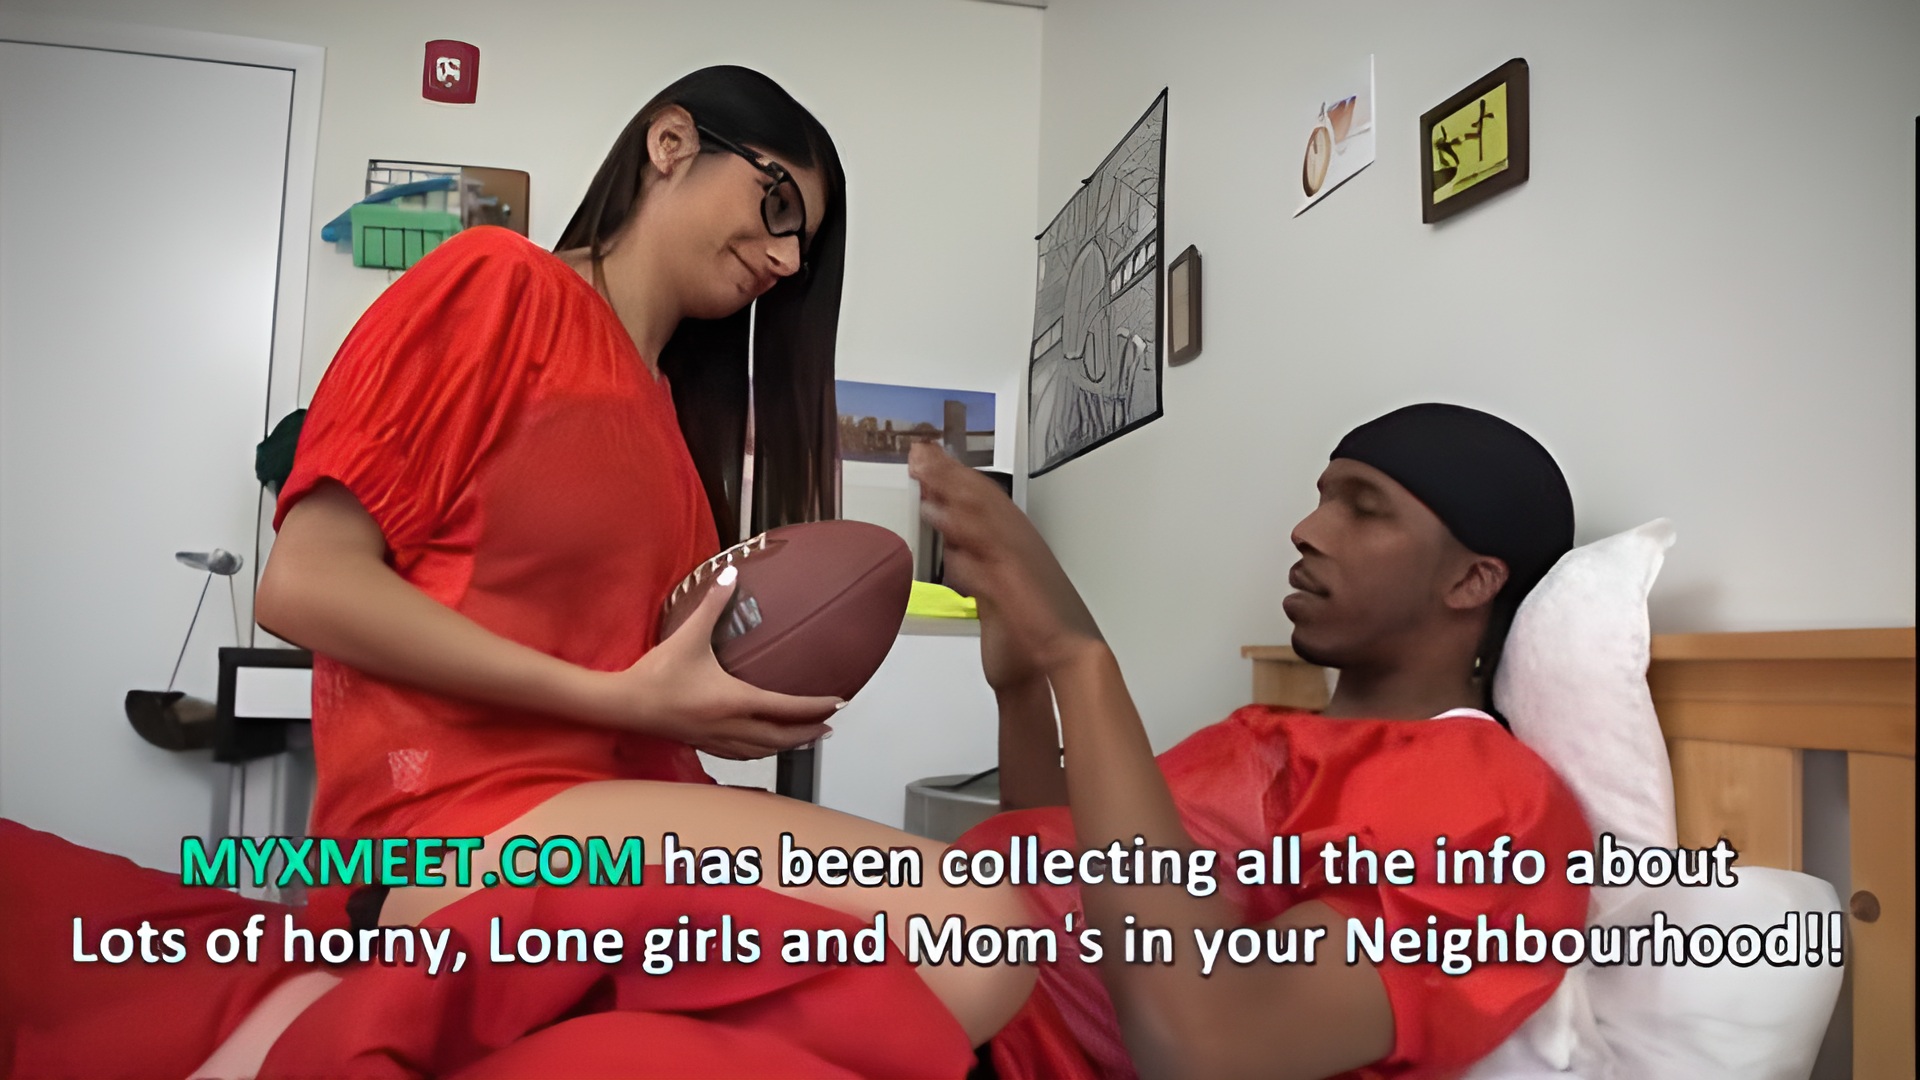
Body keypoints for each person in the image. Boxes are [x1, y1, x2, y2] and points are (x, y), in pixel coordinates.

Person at [250, 62, 1030, 1057]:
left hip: (601, 814)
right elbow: (305, 584)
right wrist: (625, 701)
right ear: (671, 144)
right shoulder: (498, 283)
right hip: (452, 829)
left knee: (964, 952)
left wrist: (707, 708)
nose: (786, 258)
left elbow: (634, 674)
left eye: (804, 242)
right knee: (973, 932)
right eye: (777, 204)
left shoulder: (670, 426)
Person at [910, 403, 1595, 1079]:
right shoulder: (1261, 734)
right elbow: (1063, 864)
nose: (1306, 530)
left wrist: (1077, 655)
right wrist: (1023, 689)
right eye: (1323, 499)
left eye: (1365, 509)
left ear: (1471, 580)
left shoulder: (1491, 806)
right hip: (949, 992)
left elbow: (1209, 1043)